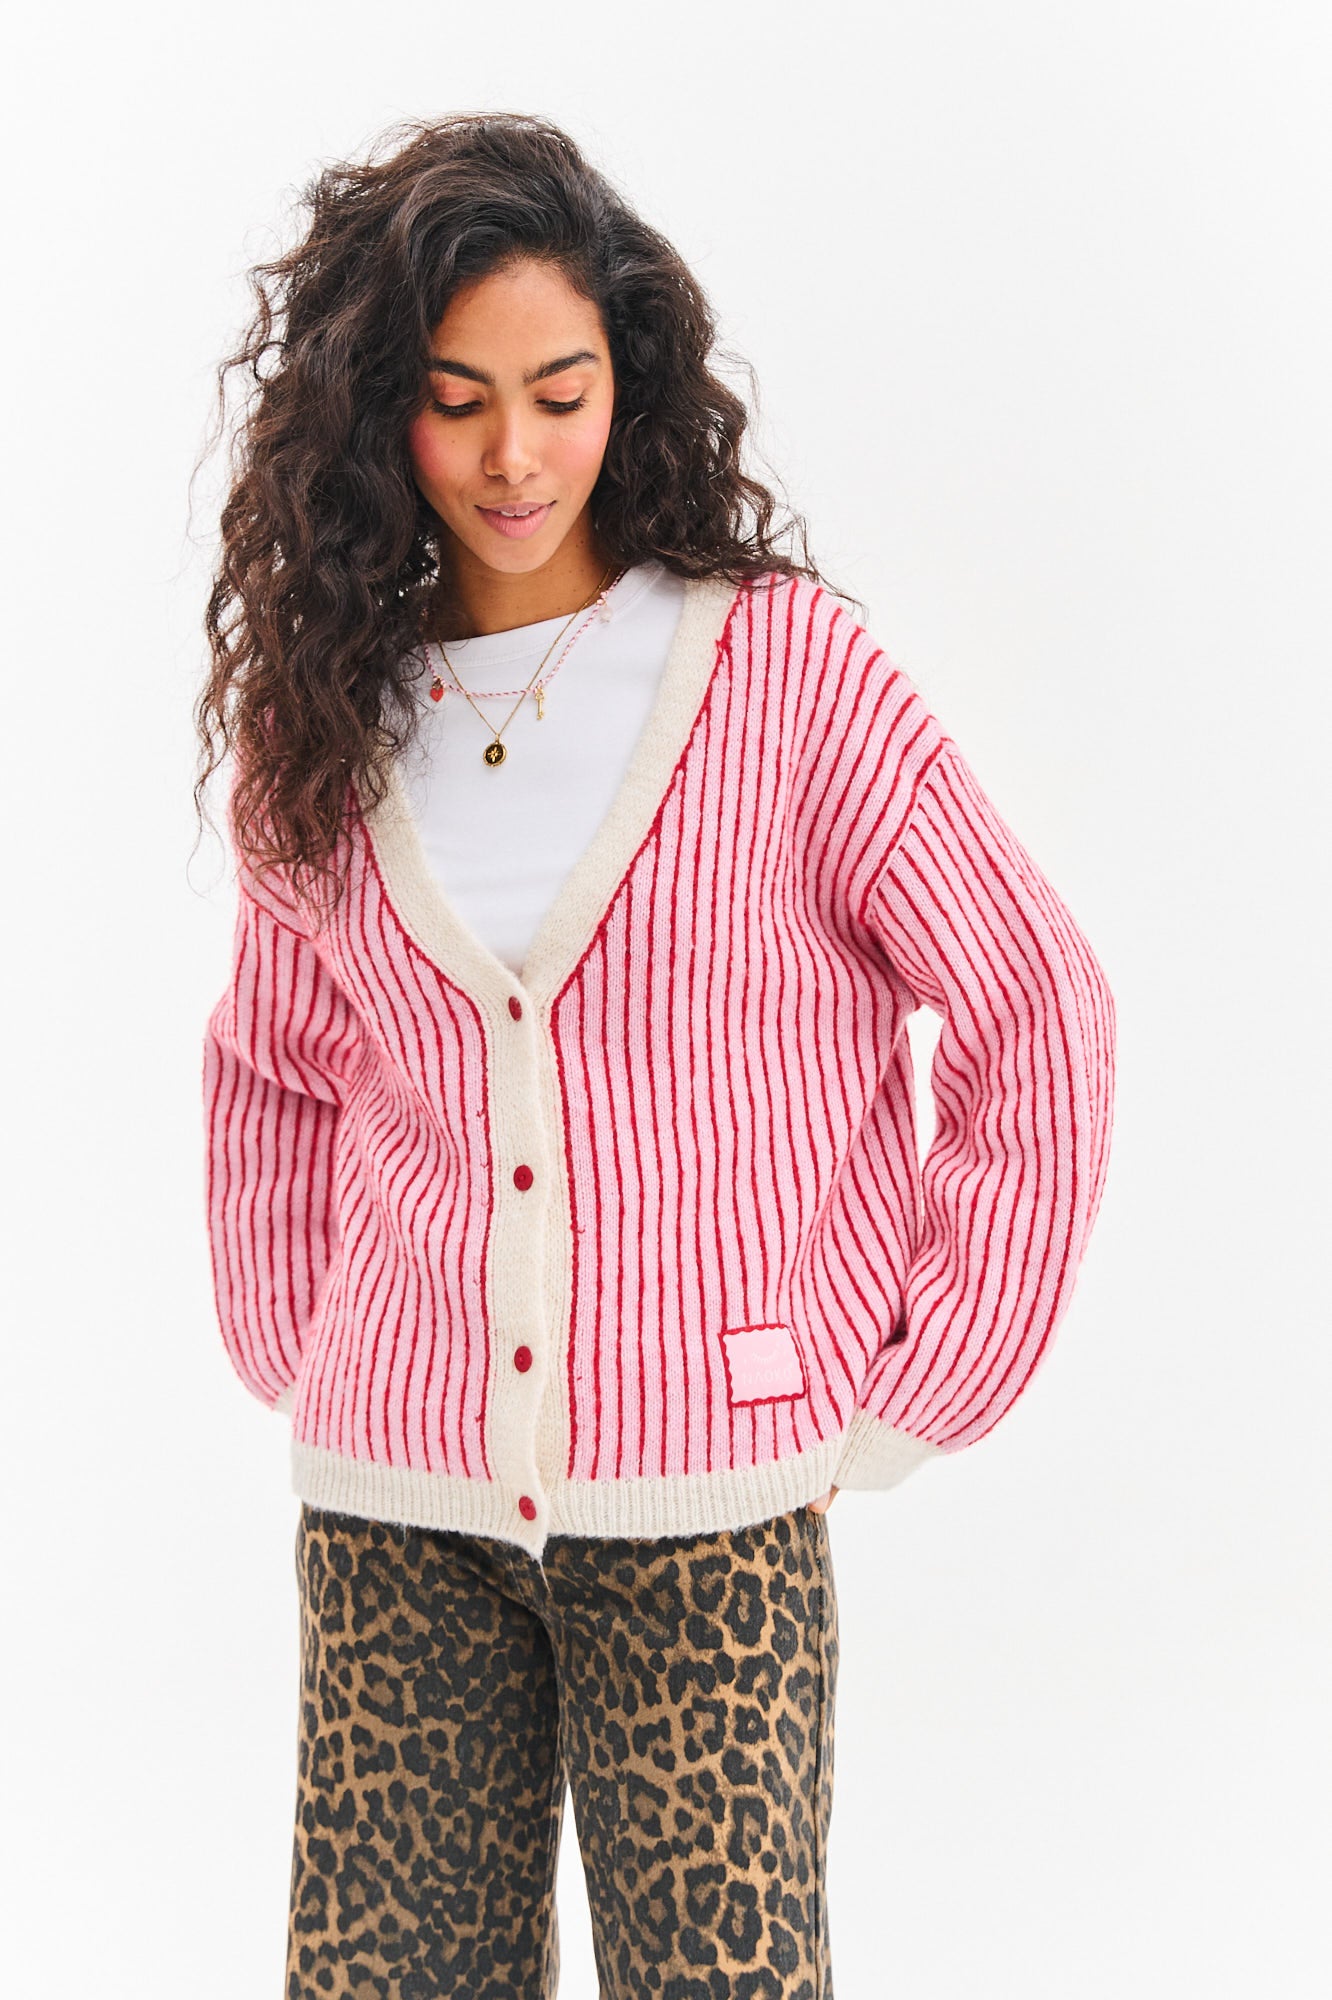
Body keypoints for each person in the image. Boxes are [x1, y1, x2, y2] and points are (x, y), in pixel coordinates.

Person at [194, 111, 1116, 2000]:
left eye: (560, 392)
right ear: (377, 414)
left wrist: (926, 1374)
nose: (514, 457)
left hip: (715, 1502)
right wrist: (314, 1348)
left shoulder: (785, 681)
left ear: (630, 381)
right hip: (393, 1510)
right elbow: (276, 1066)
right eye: (456, 402)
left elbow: (1036, 1003)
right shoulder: (328, 719)